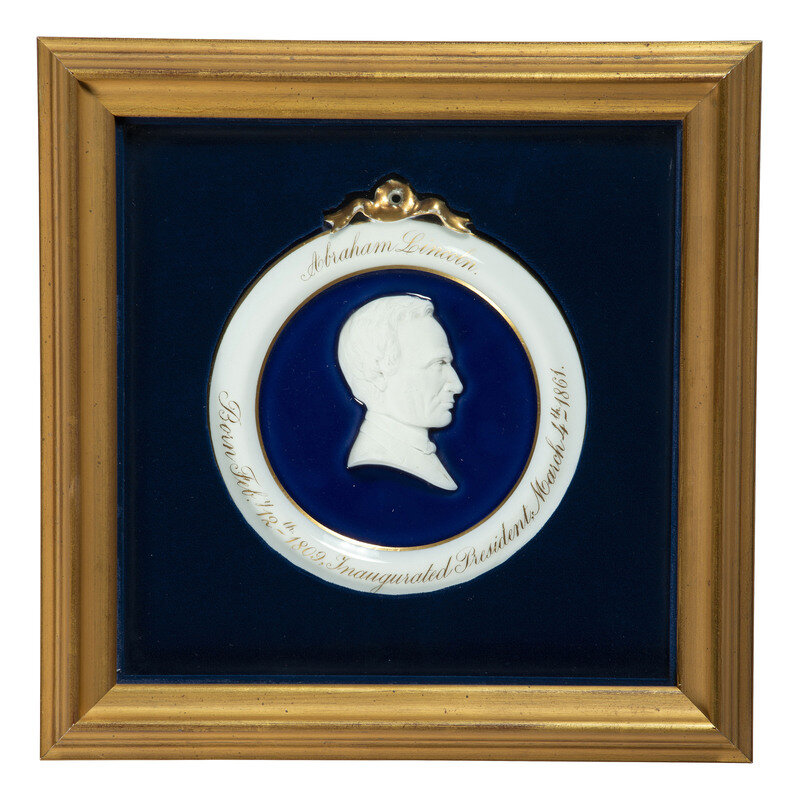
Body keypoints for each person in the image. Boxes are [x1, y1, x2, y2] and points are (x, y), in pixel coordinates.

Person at [337, 294, 463, 490]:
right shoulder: (375, 467)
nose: (457, 385)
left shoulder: (412, 453)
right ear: (378, 374)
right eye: (438, 363)